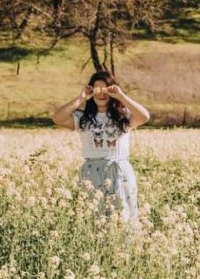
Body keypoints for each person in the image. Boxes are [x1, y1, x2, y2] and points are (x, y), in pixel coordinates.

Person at [51, 71, 151, 222]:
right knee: (95, 220)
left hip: (119, 172)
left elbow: (145, 117)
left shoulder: (123, 116)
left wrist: (121, 96)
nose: (102, 93)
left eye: (106, 89)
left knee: (122, 219)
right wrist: (81, 98)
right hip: (92, 173)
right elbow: (57, 118)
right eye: (97, 89)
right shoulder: (83, 118)